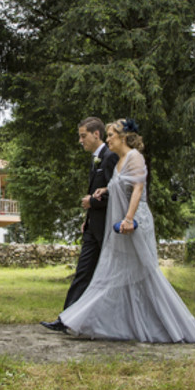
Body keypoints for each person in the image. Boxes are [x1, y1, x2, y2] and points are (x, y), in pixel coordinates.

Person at [58, 119, 195, 343]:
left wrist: (128, 219)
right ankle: (112, 322)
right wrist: (104, 189)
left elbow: (137, 188)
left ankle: (174, 325)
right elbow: (121, 184)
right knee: (118, 272)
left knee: (146, 273)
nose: (107, 140)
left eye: (110, 135)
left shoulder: (135, 156)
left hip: (134, 223)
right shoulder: (119, 161)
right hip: (122, 224)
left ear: (123, 137)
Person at [40, 117, 119, 332]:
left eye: (83, 136)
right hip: (92, 228)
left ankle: (109, 321)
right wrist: (87, 219)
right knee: (82, 273)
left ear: (96, 134)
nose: (80, 140)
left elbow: (117, 195)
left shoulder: (110, 158)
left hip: (105, 230)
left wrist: (91, 202)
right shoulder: (95, 160)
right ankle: (66, 319)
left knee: (107, 276)